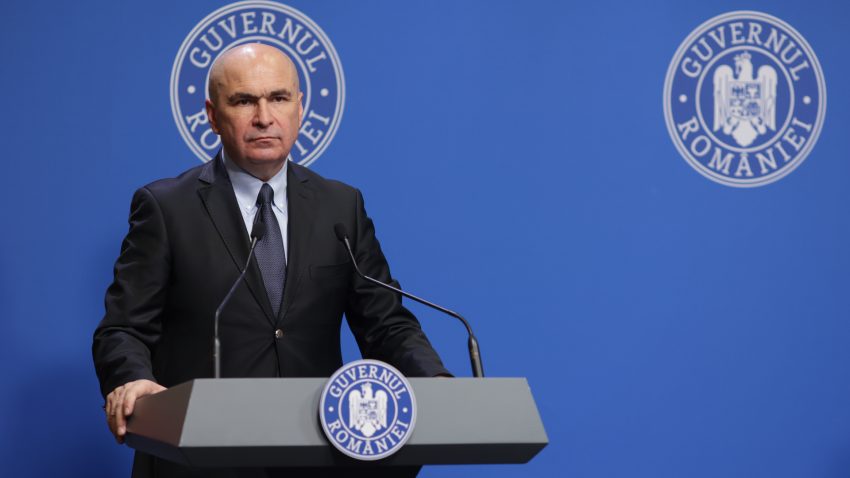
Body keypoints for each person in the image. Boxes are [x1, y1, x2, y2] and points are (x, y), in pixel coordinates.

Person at [92, 43, 448, 477]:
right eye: (244, 101)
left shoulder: (341, 207)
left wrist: (435, 383)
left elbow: (386, 323)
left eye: (278, 98)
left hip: (318, 459)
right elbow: (123, 328)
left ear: (300, 107)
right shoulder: (166, 208)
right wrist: (130, 378)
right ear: (212, 115)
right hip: (203, 460)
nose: (264, 117)